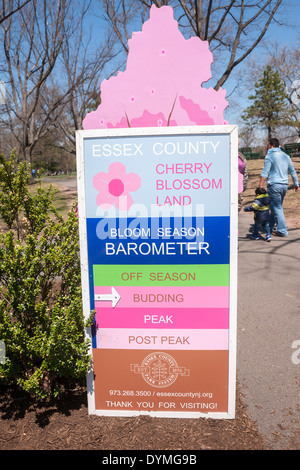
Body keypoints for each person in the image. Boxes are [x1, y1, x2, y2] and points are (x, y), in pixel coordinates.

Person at [259, 138, 299, 237]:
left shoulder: (270, 156)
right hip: (284, 186)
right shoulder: (286, 156)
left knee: (277, 208)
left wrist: (260, 185)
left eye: (268, 145)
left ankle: (282, 231)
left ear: (272, 145)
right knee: (274, 207)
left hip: (274, 186)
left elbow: (265, 172)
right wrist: (296, 183)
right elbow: (293, 171)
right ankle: (270, 227)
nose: (267, 147)